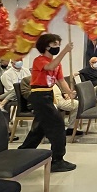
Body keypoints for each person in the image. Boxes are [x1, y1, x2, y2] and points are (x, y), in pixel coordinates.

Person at [18, 34, 77, 172]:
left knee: (40, 128)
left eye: (59, 44)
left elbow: (61, 80)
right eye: (55, 44)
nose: (58, 47)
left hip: (48, 95)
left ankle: (23, 153)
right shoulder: (39, 60)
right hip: (39, 96)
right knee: (57, 125)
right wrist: (65, 51)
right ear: (46, 46)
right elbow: (50, 66)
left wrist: (69, 92)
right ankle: (57, 160)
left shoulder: (57, 63)